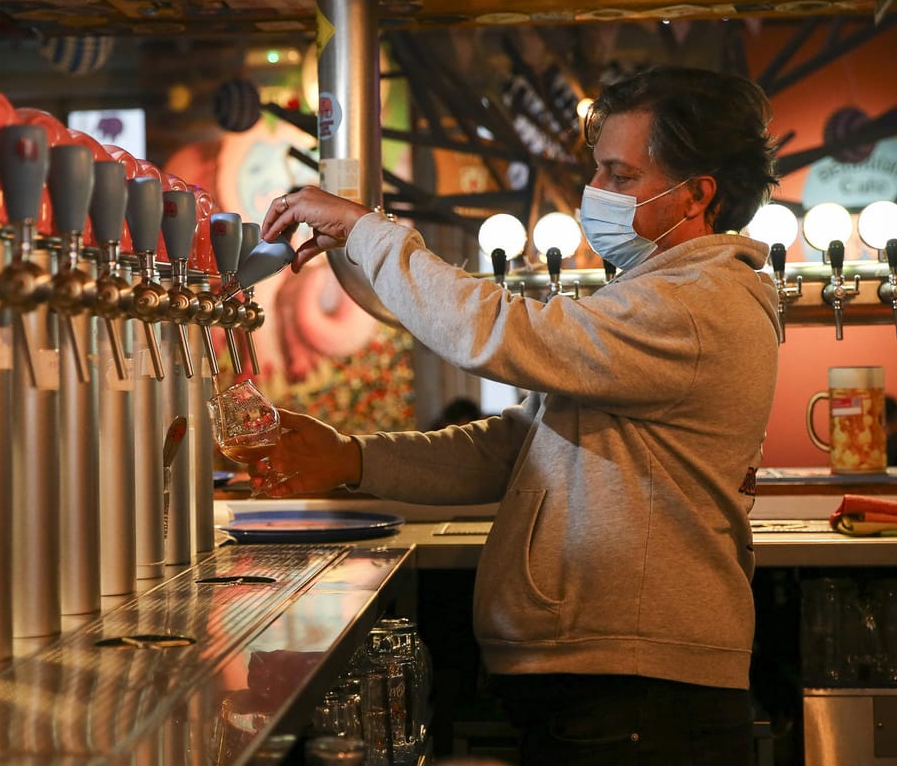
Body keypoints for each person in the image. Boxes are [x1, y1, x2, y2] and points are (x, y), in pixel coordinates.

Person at [255, 66, 780, 765]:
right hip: (605, 685)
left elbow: (499, 333)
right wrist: (354, 459)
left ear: (698, 195)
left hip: (643, 693)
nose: (598, 193)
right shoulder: (654, 294)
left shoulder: (697, 304)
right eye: (599, 172)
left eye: (620, 176)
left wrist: (366, 229)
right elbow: (515, 446)